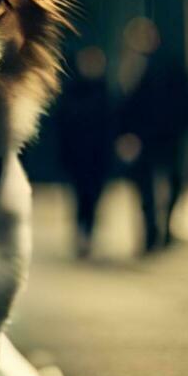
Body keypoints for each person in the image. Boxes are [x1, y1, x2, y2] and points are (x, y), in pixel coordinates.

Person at [115, 18, 188, 252]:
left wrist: (179, 127)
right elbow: (124, 106)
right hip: (141, 139)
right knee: (145, 190)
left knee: (171, 181)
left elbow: (184, 100)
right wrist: (125, 135)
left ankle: (164, 227)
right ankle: (151, 232)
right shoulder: (131, 67)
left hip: (165, 135)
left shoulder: (168, 66)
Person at [55, 46, 113, 258]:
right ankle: (82, 231)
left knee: (94, 196)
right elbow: (62, 128)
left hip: (98, 157)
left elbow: (111, 126)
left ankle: (88, 231)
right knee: (80, 196)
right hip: (77, 157)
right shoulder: (72, 94)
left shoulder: (105, 92)